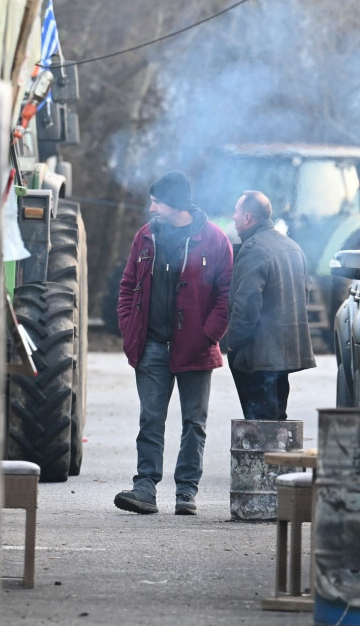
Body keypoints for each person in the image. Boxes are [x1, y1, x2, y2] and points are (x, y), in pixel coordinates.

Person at [114, 171, 232, 515]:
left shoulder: (214, 240)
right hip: (150, 346)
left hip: (196, 349)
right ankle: (145, 488)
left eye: (157, 201)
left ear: (174, 204)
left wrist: (207, 335)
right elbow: (127, 286)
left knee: (194, 423)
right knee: (150, 419)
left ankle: (186, 493)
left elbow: (227, 296)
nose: (151, 207)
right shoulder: (145, 236)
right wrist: (130, 328)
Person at [225, 191, 315, 421]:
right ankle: (276, 458)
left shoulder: (254, 249)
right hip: (283, 356)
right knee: (277, 422)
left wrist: (233, 343)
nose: (233, 217)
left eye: (236, 211)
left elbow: (246, 306)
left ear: (247, 218)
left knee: (260, 427)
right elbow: (303, 299)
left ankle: (265, 459)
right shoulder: (293, 247)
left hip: (257, 359)